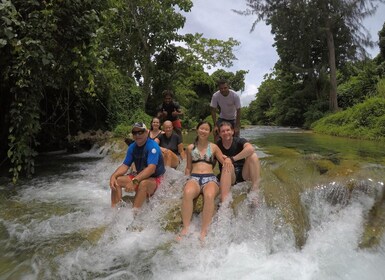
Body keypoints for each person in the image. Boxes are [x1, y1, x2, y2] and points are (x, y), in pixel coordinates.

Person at [179, 121, 232, 241]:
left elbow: (223, 161)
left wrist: (228, 160)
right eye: (201, 128)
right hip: (194, 177)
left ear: (210, 132)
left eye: (206, 129)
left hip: (210, 178)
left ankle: (204, 231)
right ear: (197, 130)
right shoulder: (190, 148)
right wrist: (185, 180)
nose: (203, 131)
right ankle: (186, 228)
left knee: (209, 195)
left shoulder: (213, 147)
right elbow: (188, 167)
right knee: (187, 192)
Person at [109, 122, 165, 209]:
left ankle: (134, 214)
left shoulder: (153, 146)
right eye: (135, 133)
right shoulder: (132, 147)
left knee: (143, 184)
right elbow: (125, 166)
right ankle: (115, 209)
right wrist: (113, 176)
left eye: (140, 132)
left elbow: (151, 169)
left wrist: (134, 181)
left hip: (155, 178)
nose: (137, 135)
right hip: (140, 176)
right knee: (117, 180)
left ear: (147, 132)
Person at [217, 121, 261, 203]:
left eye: (228, 130)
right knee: (227, 164)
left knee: (253, 156)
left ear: (232, 131)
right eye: (223, 131)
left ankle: (255, 191)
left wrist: (232, 159)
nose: (226, 133)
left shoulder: (239, 141)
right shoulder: (217, 146)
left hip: (243, 174)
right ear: (219, 134)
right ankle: (224, 203)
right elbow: (210, 162)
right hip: (229, 176)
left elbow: (251, 149)